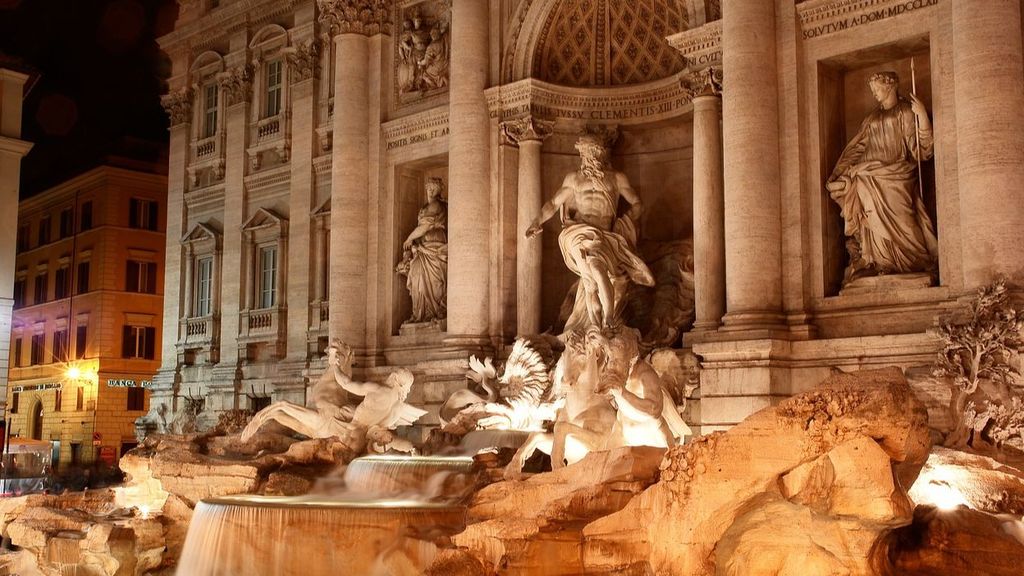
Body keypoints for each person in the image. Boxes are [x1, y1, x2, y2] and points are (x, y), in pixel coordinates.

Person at [526, 134, 654, 332]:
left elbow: (637, 204)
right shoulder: (574, 179)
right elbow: (553, 204)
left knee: (590, 283)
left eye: (592, 151)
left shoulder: (617, 179)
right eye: (585, 152)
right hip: (579, 233)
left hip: (604, 236)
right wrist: (536, 222)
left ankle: (598, 324)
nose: (588, 156)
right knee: (595, 269)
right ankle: (608, 318)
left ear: (601, 153)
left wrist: (626, 221)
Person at [826, 71, 938, 285]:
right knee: (865, 199)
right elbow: (857, 147)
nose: (875, 93)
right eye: (873, 90)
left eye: (877, 88)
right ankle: (880, 261)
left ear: (890, 86)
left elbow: (921, 151)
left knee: (904, 220)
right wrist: (838, 173)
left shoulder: (905, 112)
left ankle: (913, 261)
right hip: (869, 174)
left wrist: (922, 116)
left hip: (899, 174)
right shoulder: (872, 118)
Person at [396, 177, 448, 324]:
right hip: (423, 248)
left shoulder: (437, 205)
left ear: (439, 190)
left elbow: (425, 227)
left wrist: (409, 239)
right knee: (416, 273)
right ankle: (420, 313)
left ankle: (436, 311)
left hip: (435, 247)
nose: (431, 191)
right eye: (429, 188)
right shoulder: (425, 207)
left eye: (434, 188)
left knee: (435, 282)